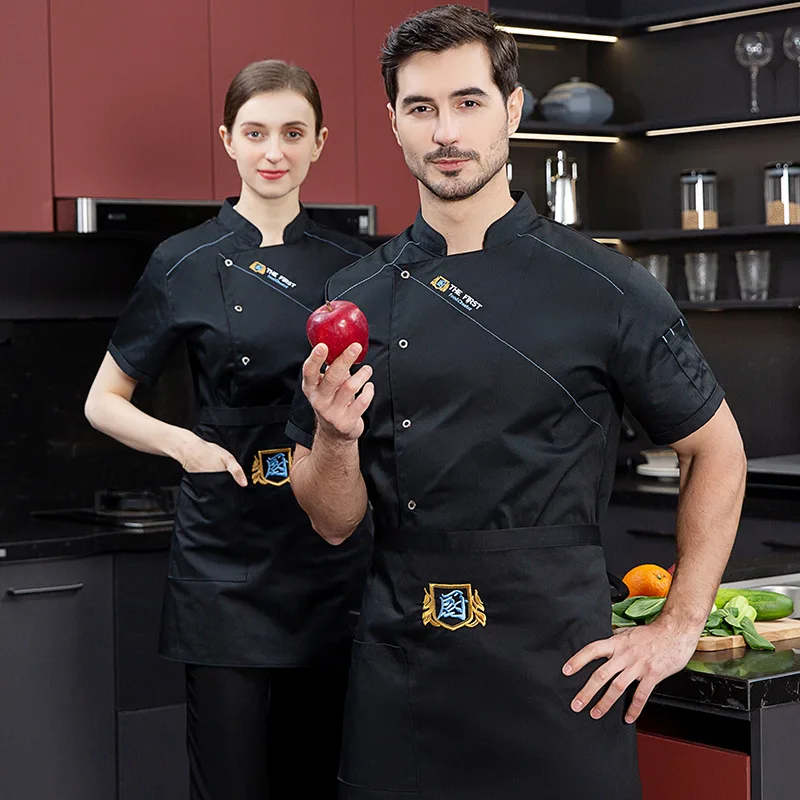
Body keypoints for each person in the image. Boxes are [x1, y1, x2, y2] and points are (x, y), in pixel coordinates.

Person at [285, 7, 746, 800]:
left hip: (558, 678)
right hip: (403, 677)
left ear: (513, 109)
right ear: (393, 122)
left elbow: (718, 450)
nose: (445, 132)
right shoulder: (350, 296)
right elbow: (331, 519)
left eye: (468, 102)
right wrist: (333, 435)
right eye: (421, 108)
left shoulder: (606, 287)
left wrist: (678, 627)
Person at [85, 59, 372, 800]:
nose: (273, 150)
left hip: (329, 550)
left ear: (319, 144)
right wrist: (187, 446)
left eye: (292, 133)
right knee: (230, 782)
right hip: (225, 555)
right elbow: (103, 400)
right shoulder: (181, 262)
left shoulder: (362, 267)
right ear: (228, 141)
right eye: (255, 132)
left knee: (318, 776)